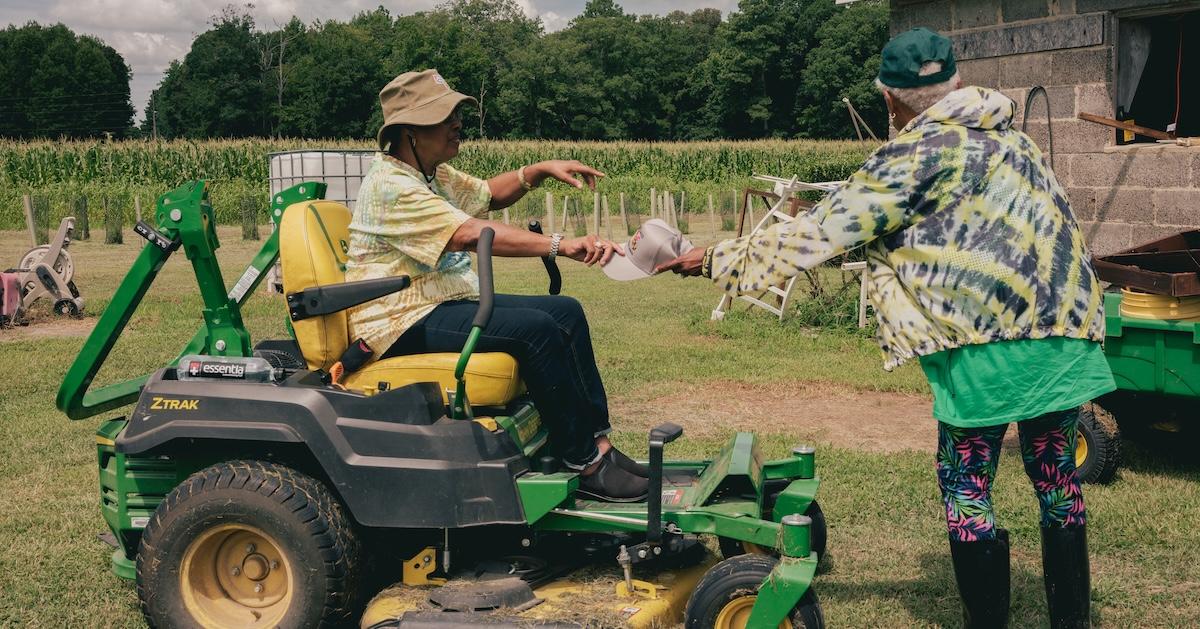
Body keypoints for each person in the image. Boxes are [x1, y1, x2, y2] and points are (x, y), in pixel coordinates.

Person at [656, 28, 1112, 629]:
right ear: (955, 82)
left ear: (890, 100)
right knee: (1055, 477)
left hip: (986, 349)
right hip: (1062, 337)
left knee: (967, 484)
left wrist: (715, 259)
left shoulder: (915, 155)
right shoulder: (1015, 142)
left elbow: (817, 234)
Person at [345, 69, 649, 502]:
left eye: (455, 114)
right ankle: (582, 463)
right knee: (535, 330)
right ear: (409, 132)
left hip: (438, 302)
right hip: (396, 321)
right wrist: (560, 245)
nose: (456, 125)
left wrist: (539, 169)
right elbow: (471, 232)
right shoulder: (391, 186)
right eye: (444, 117)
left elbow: (488, 193)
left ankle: (598, 444)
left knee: (565, 312)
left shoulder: (431, 175)